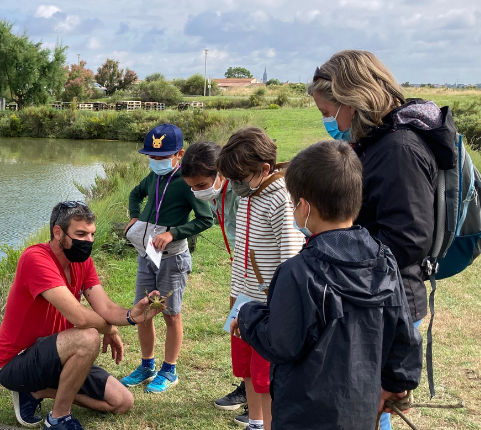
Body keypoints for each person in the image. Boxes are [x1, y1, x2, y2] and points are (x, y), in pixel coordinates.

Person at [308, 50, 455, 429]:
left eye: (328, 112)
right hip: (374, 295)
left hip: (389, 302)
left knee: (368, 410)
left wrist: (334, 243)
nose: (328, 121)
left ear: (352, 101)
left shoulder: (398, 149)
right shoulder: (378, 141)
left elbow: (406, 239)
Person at [231, 140, 423, 430]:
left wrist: (249, 317)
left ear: (304, 206)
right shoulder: (385, 259)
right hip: (360, 406)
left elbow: (283, 344)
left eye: (294, 202)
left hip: (304, 413)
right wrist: (398, 381)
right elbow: (403, 332)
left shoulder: (297, 271)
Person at [0, 201, 165, 430]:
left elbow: (106, 307)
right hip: (14, 362)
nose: (88, 241)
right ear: (58, 232)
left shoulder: (82, 262)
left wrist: (133, 315)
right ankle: (59, 418)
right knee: (88, 337)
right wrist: (110, 329)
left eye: (91, 234)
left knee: (122, 401)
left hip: (58, 356)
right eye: (80, 234)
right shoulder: (35, 259)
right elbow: (80, 318)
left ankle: (40, 391)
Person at [216, 127, 304, 429]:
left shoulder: (281, 199)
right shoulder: (251, 193)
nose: (234, 186)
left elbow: (290, 260)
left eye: (238, 179)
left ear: (264, 169)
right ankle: (254, 423)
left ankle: (268, 424)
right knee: (247, 371)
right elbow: (243, 246)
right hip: (243, 302)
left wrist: (277, 307)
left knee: (265, 376)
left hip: (269, 307)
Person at [121, 124, 214, 394]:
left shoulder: (186, 183)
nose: (156, 162)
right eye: (153, 157)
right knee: (144, 312)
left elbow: (206, 219)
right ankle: (147, 365)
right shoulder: (153, 177)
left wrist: (174, 233)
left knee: (170, 314)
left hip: (172, 259)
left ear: (179, 155)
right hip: (147, 256)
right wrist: (134, 216)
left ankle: (169, 370)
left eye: (162, 158)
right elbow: (135, 194)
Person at [180, 141, 248, 417]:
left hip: (260, 272)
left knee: (261, 334)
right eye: (192, 188)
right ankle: (248, 387)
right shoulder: (218, 195)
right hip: (241, 268)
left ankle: (269, 398)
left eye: (201, 185)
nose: (197, 192)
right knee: (241, 330)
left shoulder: (244, 192)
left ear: (222, 173)